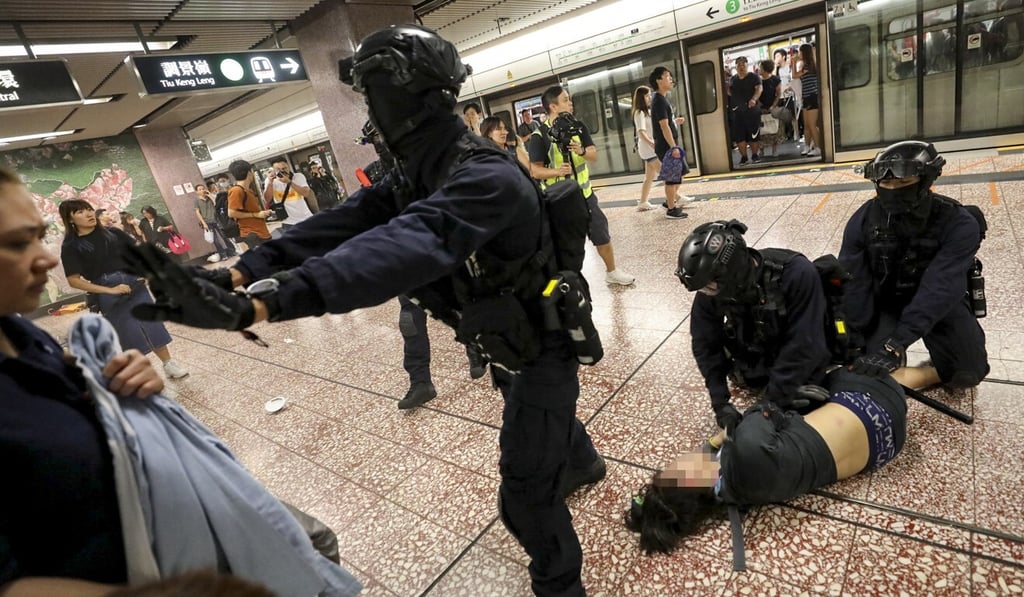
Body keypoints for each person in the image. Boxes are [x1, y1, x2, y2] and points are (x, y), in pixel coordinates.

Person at [124, 25, 607, 596]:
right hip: (507, 339)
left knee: (525, 496)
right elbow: (339, 225)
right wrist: (233, 274)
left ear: (412, 98)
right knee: (532, 410)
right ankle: (580, 461)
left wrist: (260, 304)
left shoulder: (485, 175)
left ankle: (561, 585)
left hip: (543, 348)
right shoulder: (418, 172)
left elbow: (401, 247)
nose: (370, 115)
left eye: (375, 98)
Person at [0, 165, 165, 593]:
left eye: (39, 236)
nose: (47, 258)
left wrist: (110, 390)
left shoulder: (24, 336)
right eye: (19, 243)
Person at [625, 367, 907, 554]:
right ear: (690, 477)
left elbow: (715, 453)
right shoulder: (747, 446)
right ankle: (934, 371)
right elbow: (766, 409)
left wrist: (711, 445)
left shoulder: (736, 495)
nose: (683, 457)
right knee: (848, 369)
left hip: (885, 450)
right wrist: (757, 409)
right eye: (678, 466)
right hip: (873, 409)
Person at [839, 140, 989, 389]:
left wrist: (897, 342)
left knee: (968, 372)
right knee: (866, 368)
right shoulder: (863, 220)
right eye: (885, 183)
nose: (892, 189)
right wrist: (854, 337)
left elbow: (941, 288)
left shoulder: (958, 223)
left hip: (939, 303)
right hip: (885, 301)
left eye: (903, 183)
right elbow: (854, 283)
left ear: (926, 180)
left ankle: (930, 369)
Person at [677, 219, 830, 430]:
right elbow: (705, 344)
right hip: (755, 362)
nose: (706, 293)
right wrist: (720, 403)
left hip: (800, 358)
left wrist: (773, 401)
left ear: (733, 270)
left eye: (710, 287)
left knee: (804, 409)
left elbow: (806, 341)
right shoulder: (712, 289)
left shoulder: (796, 273)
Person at [59, 200, 189, 380]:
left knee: (153, 324)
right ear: (69, 219)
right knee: (128, 331)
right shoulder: (71, 246)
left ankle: (168, 364)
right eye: (81, 212)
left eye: (89, 209)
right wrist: (109, 290)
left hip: (135, 283)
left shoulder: (113, 233)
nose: (89, 214)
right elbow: (74, 280)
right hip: (107, 290)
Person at [527, 85, 636, 286]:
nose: (571, 103)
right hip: (558, 201)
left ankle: (612, 271)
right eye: (566, 100)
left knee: (601, 232)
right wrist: (557, 172)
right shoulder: (539, 137)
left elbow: (593, 155)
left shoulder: (578, 127)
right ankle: (566, 279)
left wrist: (581, 151)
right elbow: (535, 170)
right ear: (553, 106)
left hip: (585, 195)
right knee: (563, 243)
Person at [648, 67, 692, 219]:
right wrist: (673, 147)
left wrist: (675, 122)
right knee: (672, 177)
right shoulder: (659, 100)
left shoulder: (662, 99)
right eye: (667, 76)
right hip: (667, 145)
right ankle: (671, 209)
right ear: (658, 81)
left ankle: (670, 201)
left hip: (669, 143)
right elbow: (663, 125)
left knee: (680, 172)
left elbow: (667, 122)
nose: (671, 78)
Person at [226, 159, 273, 249]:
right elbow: (231, 213)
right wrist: (256, 214)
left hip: (261, 232)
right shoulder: (236, 190)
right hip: (253, 234)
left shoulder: (248, 190)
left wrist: (262, 213)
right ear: (249, 172)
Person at [263, 156, 316, 233]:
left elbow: (306, 193)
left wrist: (289, 182)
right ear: (274, 170)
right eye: (278, 169)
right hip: (288, 222)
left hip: (305, 217)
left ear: (288, 167)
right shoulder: (270, 181)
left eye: (284, 168)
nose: (282, 171)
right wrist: (270, 183)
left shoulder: (298, 177)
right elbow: (267, 199)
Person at [728, 57, 763, 166]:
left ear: (747, 65)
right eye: (739, 64)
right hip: (737, 112)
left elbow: (759, 89)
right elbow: (729, 92)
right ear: (736, 67)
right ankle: (743, 157)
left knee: (753, 134)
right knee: (739, 136)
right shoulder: (733, 79)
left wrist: (753, 99)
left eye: (743, 64)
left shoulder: (754, 77)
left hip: (752, 111)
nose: (741, 66)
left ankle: (754, 155)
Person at [630, 85, 659, 211]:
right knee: (665, 173)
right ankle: (677, 197)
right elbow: (641, 132)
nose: (650, 97)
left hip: (649, 148)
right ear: (642, 97)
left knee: (649, 177)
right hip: (648, 148)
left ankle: (643, 202)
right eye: (647, 95)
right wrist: (651, 143)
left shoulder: (648, 111)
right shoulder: (639, 113)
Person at [194, 182, 235, 263]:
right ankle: (223, 255)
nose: (202, 190)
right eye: (200, 189)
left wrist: (210, 195)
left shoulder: (209, 197)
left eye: (203, 189)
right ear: (197, 192)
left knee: (224, 236)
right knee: (216, 240)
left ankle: (232, 251)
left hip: (217, 220)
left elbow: (217, 204)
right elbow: (197, 212)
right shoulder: (196, 201)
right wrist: (204, 223)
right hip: (208, 222)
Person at [792, 43, 821, 157]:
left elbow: (794, 75)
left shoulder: (809, 66)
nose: (799, 54)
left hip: (812, 96)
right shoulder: (807, 65)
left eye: (800, 52)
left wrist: (794, 62)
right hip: (807, 97)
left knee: (812, 125)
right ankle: (807, 146)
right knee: (807, 125)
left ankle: (818, 147)